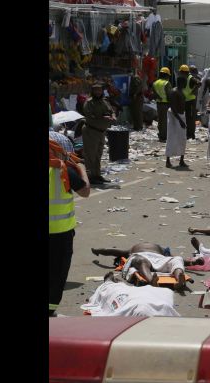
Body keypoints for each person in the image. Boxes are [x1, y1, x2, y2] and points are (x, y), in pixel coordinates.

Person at [49, 138, 90, 316]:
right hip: (59, 233)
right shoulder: (61, 170)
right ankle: (50, 311)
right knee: (56, 276)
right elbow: (85, 191)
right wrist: (81, 169)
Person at [90, 242, 200, 291]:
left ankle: (178, 279)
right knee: (141, 261)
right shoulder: (132, 249)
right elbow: (113, 251)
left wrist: (192, 262)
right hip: (141, 256)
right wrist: (98, 250)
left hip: (159, 258)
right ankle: (151, 280)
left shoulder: (162, 250)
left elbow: (173, 258)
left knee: (177, 259)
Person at [81, 83, 115, 184]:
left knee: (98, 154)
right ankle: (90, 177)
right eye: (95, 90)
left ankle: (97, 175)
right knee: (90, 155)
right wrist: (103, 117)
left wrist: (113, 116)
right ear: (92, 91)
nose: (98, 92)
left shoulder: (104, 101)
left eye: (99, 90)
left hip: (101, 132)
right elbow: (90, 116)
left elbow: (111, 111)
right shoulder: (89, 102)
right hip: (91, 131)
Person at [165, 74, 188, 169]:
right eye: (185, 82)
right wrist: (180, 121)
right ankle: (168, 160)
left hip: (181, 115)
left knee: (182, 138)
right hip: (175, 116)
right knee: (171, 138)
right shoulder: (174, 92)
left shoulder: (181, 91)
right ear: (181, 82)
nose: (186, 83)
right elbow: (173, 108)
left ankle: (182, 160)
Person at [152, 67, 172, 142]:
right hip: (165, 104)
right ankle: (164, 136)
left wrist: (158, 97)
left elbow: (154, 94)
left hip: (158, 104)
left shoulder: (155, 83)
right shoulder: (167, 83)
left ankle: (160, 134)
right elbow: (169, 95)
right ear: (166, 75)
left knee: (160, 120)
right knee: (165, 121)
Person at [179, 65, 200, 140]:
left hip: (191, 101)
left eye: (180, 72)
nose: (180, 73)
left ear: (183, 72)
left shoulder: (191, 78)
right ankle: (188, 133)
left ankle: (191, 134)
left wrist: (192, 92)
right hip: (186, 100)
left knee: (190, 118)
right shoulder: (185, 78)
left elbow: (199, 83)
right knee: (187, 117)